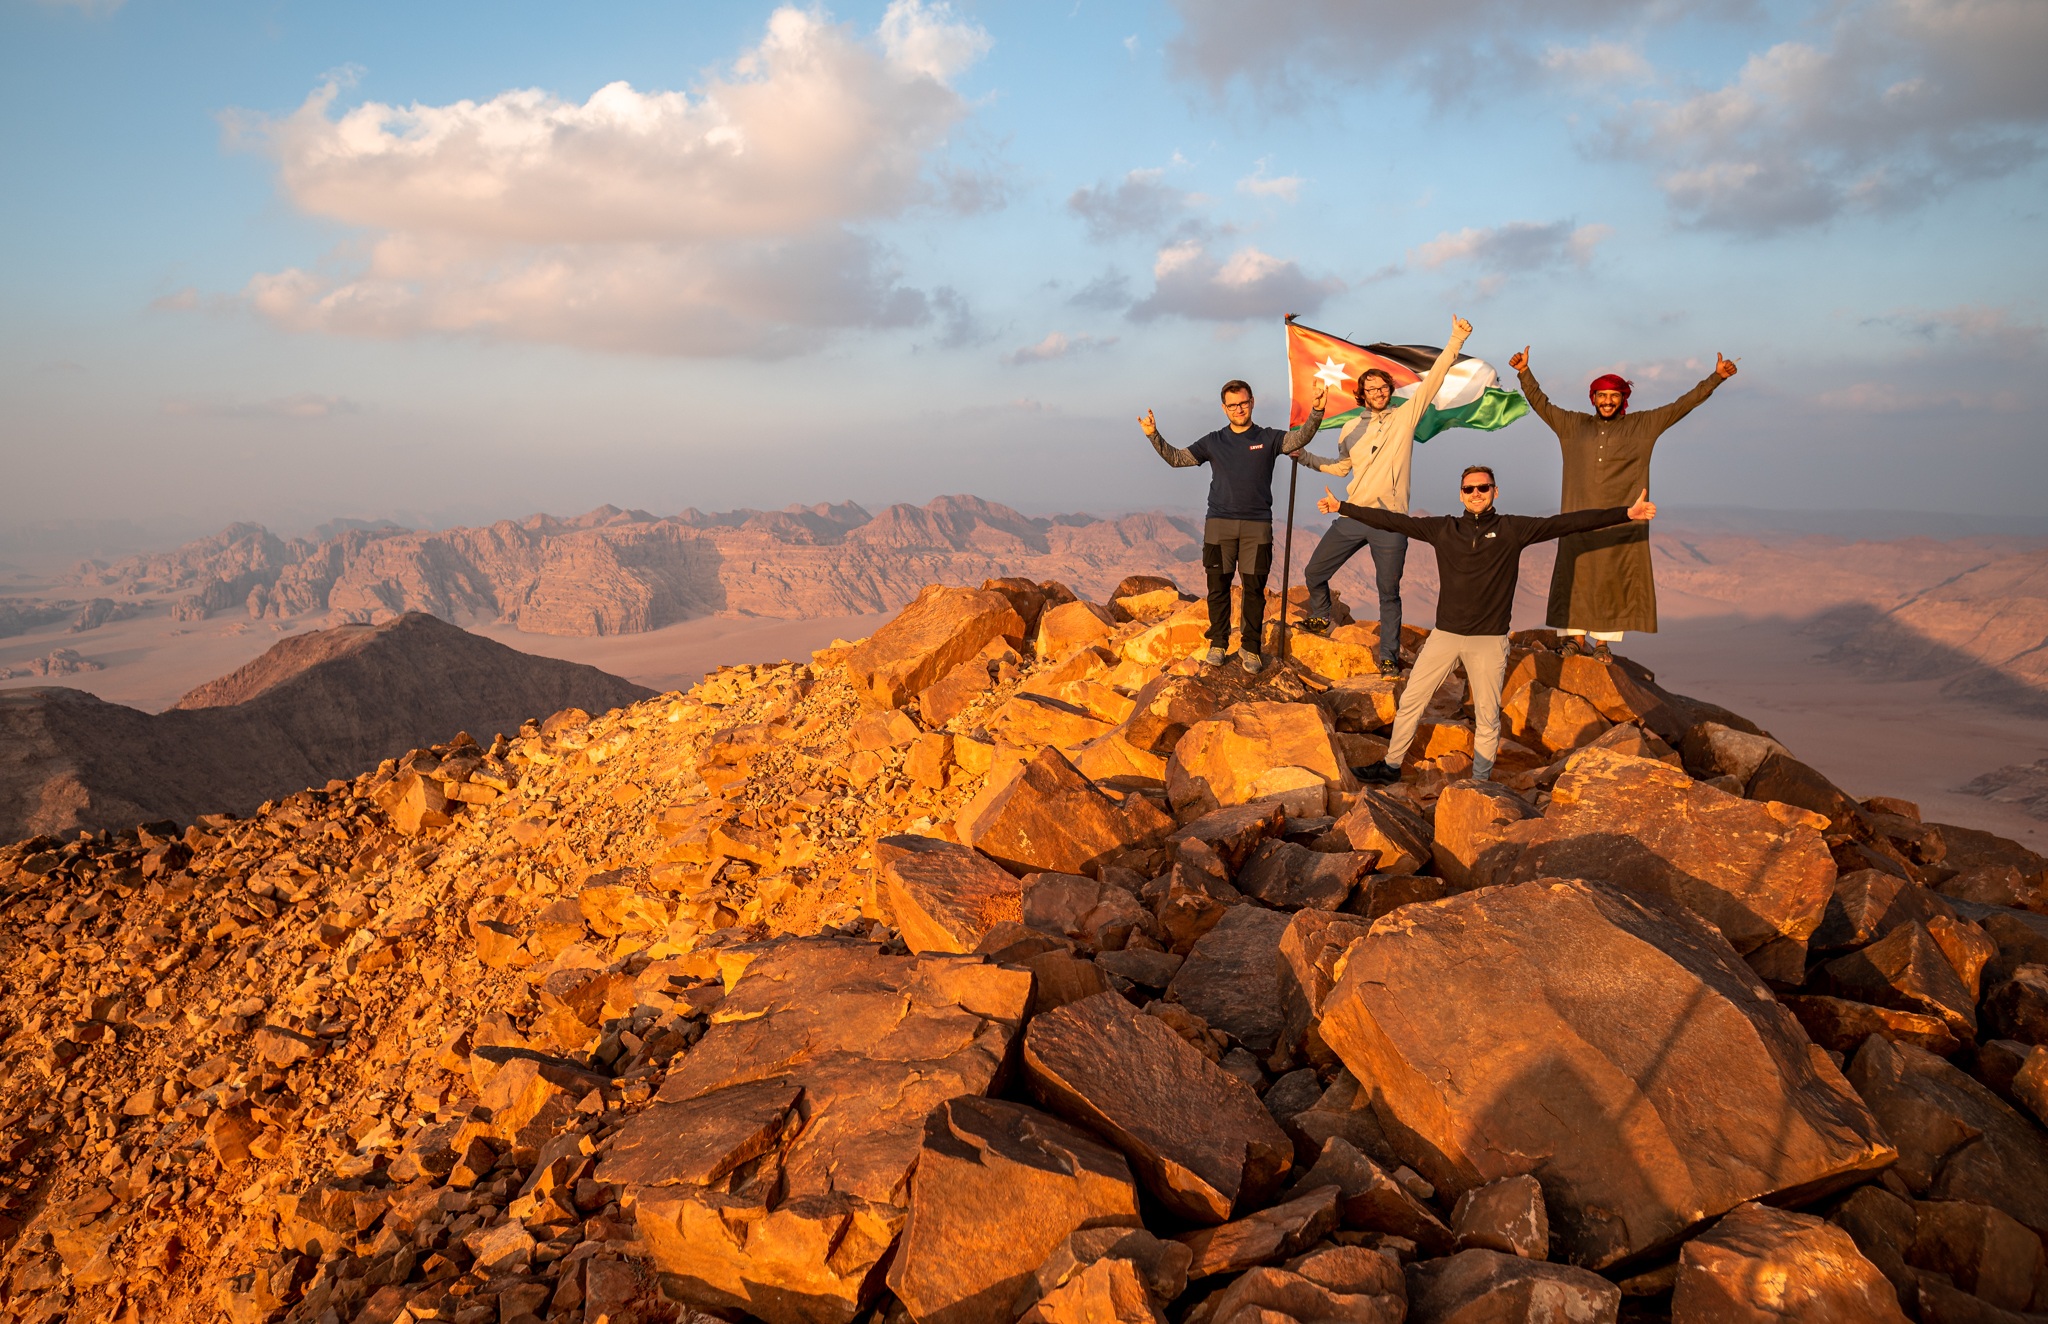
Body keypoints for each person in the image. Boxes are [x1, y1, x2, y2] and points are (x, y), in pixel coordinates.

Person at [1316, 467, 1656, 782]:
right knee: (1412, 701)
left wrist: (1626, 513)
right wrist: (1342, 506)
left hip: (1489, 641)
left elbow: (1566, 523)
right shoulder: (1444, 528)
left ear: (1495, 491)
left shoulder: (1513, 529)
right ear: (1461, 495)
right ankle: (1391, 766)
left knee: (1488, 716)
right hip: (1446, 635)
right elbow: (1391, 520)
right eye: (1469, 488)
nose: (1476, 492)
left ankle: (1479, 781)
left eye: (1483, 487)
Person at [1508, 346, 1738, 661]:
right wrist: (1524, 372)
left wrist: (1716, 378)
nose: (1607, 401)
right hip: (1577, 517)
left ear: (1623, 399)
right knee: (1575, 572)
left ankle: (1602, 643)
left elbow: (1681, 405)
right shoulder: (1573, 426)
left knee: (1612, 576)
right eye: (1601, 395)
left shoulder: (1642, 426)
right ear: (1592, 398)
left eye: (1614, 396)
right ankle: (1575, 639)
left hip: (1622, 519)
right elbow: (1542, 404)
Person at [1292, 315, 1474, 678]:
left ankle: (1389, 655)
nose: (1378, 393)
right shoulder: (1349, 427)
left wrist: (1455, 340)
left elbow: (1432, 381)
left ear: (1390, 390)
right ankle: (1320, 614)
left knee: (1387, 592)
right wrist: (1306, 457)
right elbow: (1344, 467)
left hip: (1391, 520)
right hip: (1354, 515)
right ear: (1362, 394)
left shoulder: (1404, 419)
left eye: (1382, 388)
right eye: (1371, 389)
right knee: (1315, 571)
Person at [1141, 378, 1325, 672]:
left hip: (1257, 527)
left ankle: (1250, 648)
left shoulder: (1269, 437)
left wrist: (1317, 410)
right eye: (1233, 405)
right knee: (1218, 588)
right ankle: (1218, 643)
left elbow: (1299, 439)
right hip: (1219, 524)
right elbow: (1177, 459)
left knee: (1254, 589)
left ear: (1252, 402)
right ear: (1224, 408)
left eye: (1243, 402)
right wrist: (1154, 435)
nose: (1239, 409)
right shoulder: (1213, 441)